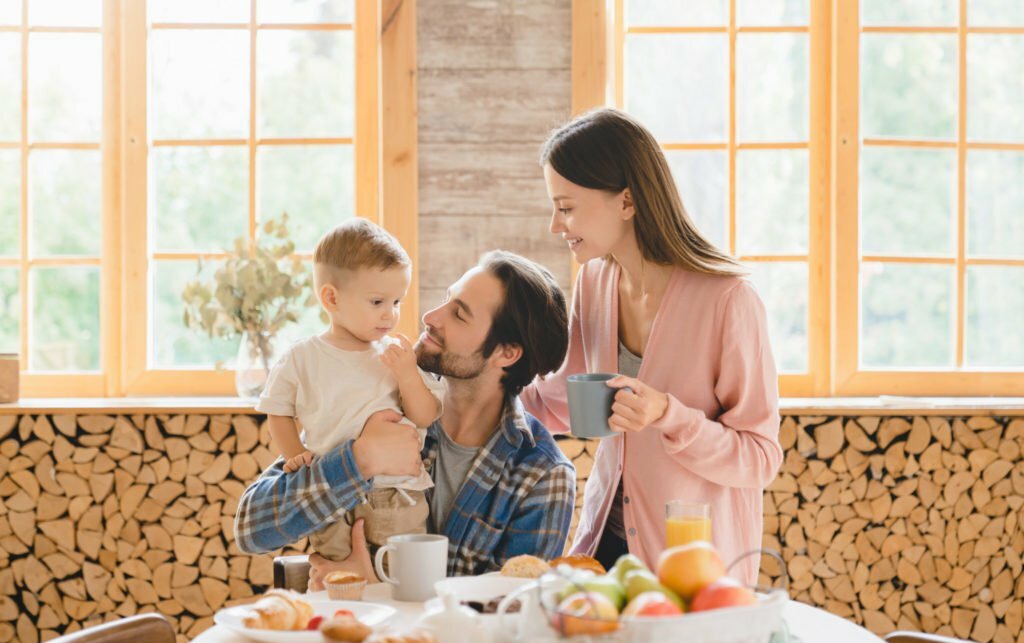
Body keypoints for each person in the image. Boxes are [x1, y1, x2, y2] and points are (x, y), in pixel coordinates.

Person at [520, 108, 783, 584]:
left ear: (627, 201)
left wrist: (668, 415)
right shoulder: (595, 282)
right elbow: (560, 402)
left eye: (566, 207)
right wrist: (466, 386)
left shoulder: (728, 300)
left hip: (693, 566)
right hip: (606, 544)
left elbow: (760, 458)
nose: (555, 227)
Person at [235, 251, 577, 585]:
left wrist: (380, 589)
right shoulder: (382, 397)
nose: (431, 316)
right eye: (446, 299)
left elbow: (510, 616)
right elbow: (252, 530)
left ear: (506, 353)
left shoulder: (542, 475)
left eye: (458, 314)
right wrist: (358, 460)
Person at [255, 217, 443, 564]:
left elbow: (426, 415)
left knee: (398, 575)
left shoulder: (397, 355)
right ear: (331, 298)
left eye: (397, 302)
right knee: (338, 575)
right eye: (377, 302)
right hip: (330, 492)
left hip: (396, 492)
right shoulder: (302, 357)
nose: (391, 314)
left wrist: (407, 375)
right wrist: (295, 453)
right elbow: (278, 408)